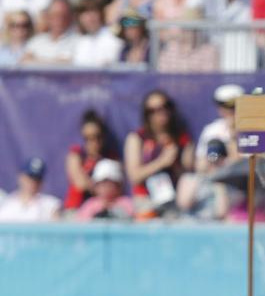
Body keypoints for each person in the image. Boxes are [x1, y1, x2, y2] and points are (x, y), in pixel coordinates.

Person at [124, 89, 194, 217]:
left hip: (174, 200)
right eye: (153, 110)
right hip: (145, 199)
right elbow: (134, 176)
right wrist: (161, 162)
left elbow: (187, 177)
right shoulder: (137, 138)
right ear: (147, 114)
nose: (160, 113)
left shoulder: (183, 140)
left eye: (164, 107)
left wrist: (175, 162)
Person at [65, 109, 119, 210]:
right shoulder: (76, 155)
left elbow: (117, 186)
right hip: (77, 208)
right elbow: (80, 183)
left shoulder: (111, 157)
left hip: (105, 208)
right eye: (88, 138)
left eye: (97, 137)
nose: (93, 142)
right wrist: (102, 187)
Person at [196, 83, 242, 171]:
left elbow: (239, 164)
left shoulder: (252, 129)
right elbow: (200, 167)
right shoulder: (211, 130)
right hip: (216, 178)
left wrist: (233, 135)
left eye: (234, 107)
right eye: (227, 107)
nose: (231, 111)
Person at [0, 157, 59, 221]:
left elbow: (56, 228)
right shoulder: (6, 202)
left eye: (37, 179)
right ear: (21, 177)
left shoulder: (50, 204)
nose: (33, 182)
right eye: (30, 177)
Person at [22, 0, 76, 64]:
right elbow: (24, 62)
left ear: (70, 17)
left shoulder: (78, 41)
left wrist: (35, 59)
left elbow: (67, 65)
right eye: (55, 15)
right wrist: (55, 61)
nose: (59, 20)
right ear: (48, 17)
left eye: (63, 15)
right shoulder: (36, 40)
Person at [71, 0, 123, 66]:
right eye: (84, 12)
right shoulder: (80, 43)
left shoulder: (114, 39)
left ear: (101, 14)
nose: (89, 17)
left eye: (93, 11)